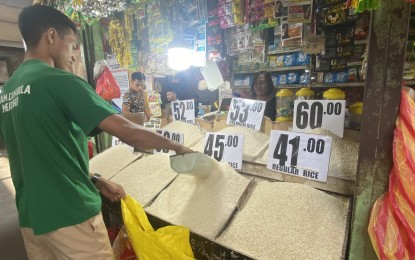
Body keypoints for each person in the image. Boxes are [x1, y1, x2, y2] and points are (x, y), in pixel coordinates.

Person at [0, 5, 191, 260]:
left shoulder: (7, 92)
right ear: (52, 36)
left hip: (32, 218)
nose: (72, 57)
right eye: (71, 45)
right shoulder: (58, 81)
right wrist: (177, 146)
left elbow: (42, 153)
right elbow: (127, 131)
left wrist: (97, 181)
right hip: (71, 215)